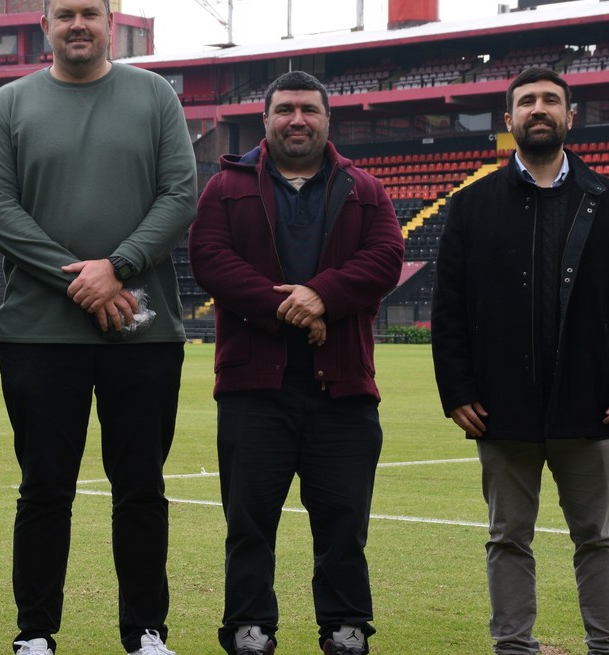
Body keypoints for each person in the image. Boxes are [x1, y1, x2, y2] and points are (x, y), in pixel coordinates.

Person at [0, 0, 197, 653]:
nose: (77, 23)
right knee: (44, 487)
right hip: (38, 335)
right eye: (64, 13)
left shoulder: (155, 96)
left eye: (89, 13)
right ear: (45, 25)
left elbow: (179, 195)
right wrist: (85, 278)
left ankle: (146, 629)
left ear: (110, 24)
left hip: (144, 336)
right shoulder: (8, 105)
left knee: (142, 488)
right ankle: (35, 632)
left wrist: (120, 264)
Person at [431, 67, 609, 655]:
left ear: (569, 118)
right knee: (508, 537)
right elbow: (449, 309)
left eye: (550, 101)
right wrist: (456, 391)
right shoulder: (471, 206)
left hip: (593, 406)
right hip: (502, 406)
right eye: (526, 101)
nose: (538, 108)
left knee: (598, 537)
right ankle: (513, 645)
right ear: (508, 121)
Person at [188, 70, 405, 655]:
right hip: (253, 388)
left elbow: (387, 257)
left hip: (343, 387)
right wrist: (289, 306)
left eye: (309, 109)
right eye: (285, 109)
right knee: (250, 522)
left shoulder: (365, 188)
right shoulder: (225, 186)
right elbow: (210, 259)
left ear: (327, 119)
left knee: (343, 521)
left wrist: (322, 296)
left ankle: (345, 624)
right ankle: (249, 626)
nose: (297, 119)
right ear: (265, 119)